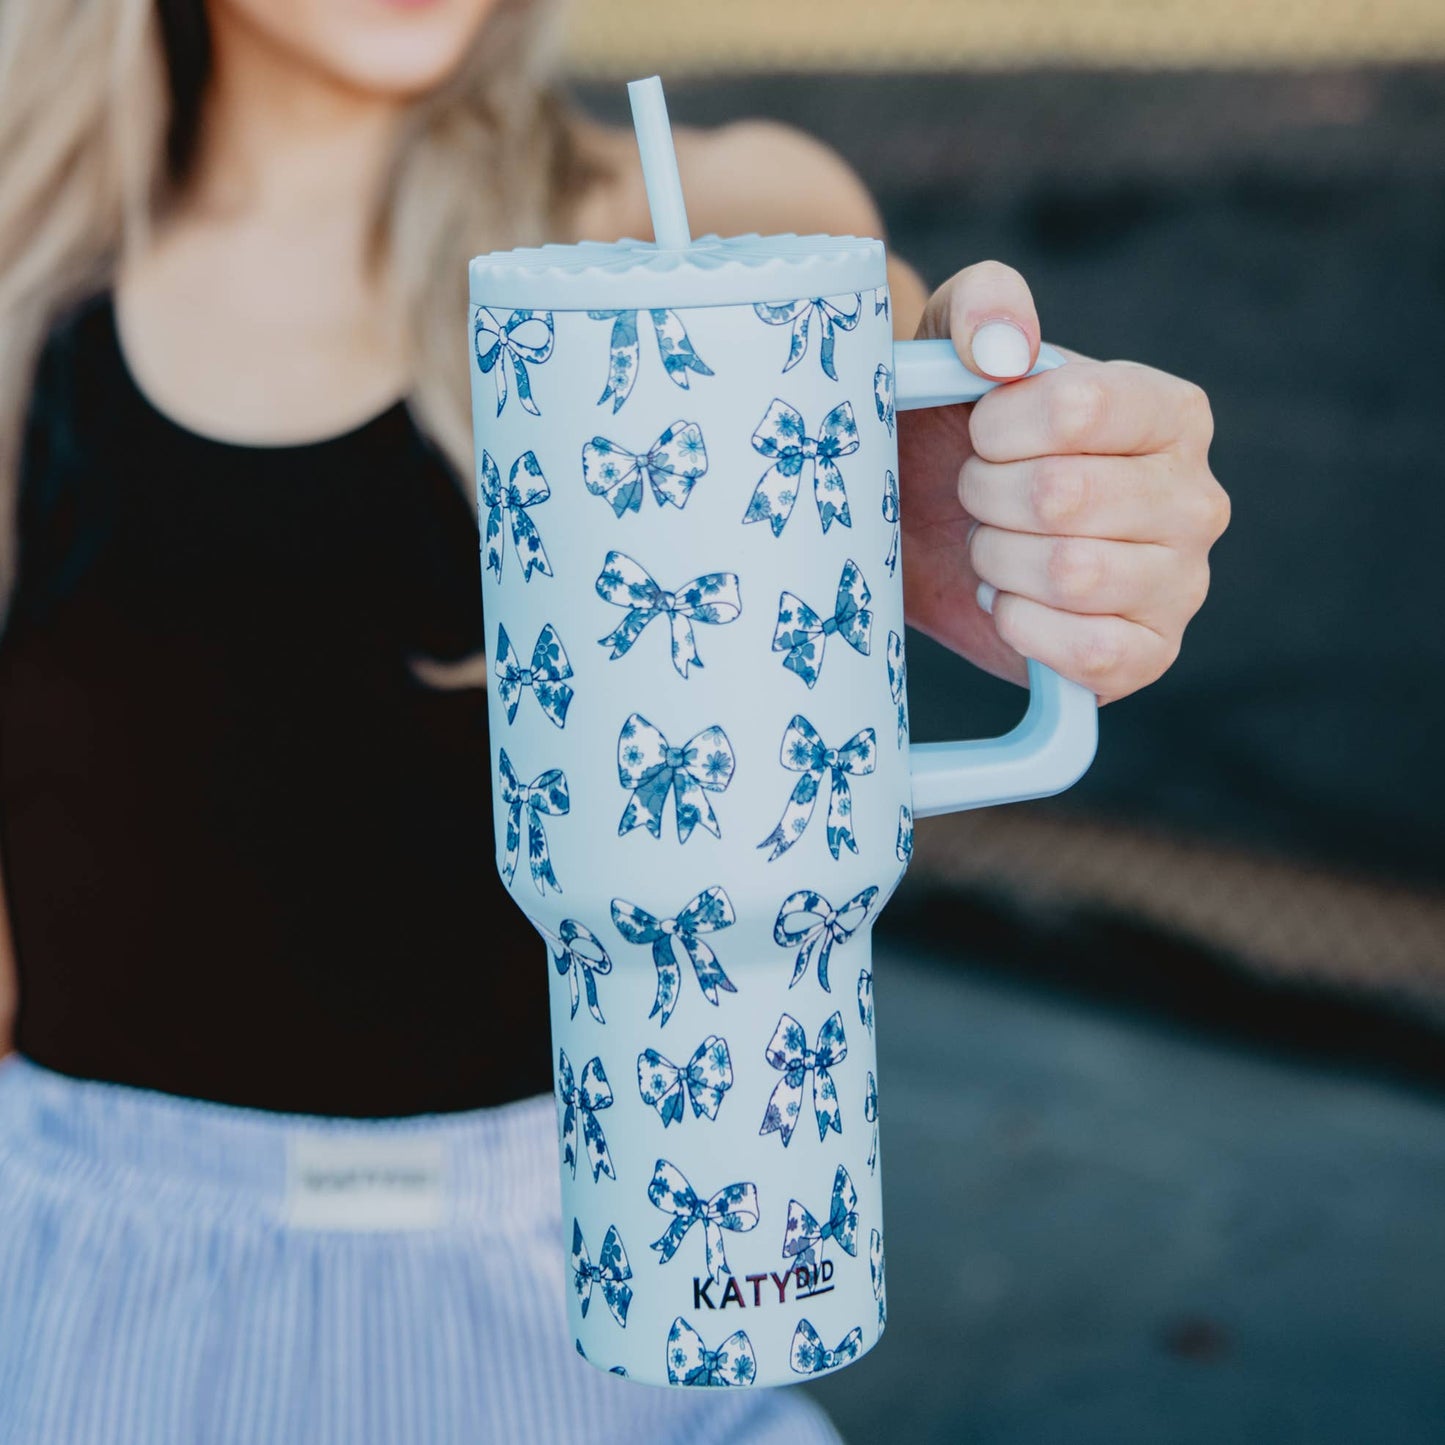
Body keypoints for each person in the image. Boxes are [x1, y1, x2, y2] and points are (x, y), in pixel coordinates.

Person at [0, 0, 1228, 1441]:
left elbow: (909, 366)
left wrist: (1053, 508)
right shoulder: (26, 285)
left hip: (624, 1326)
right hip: (95, 1303)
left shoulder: (701, 217)